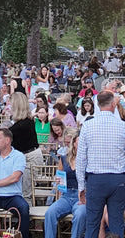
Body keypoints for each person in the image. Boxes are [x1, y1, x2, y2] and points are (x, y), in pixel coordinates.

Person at [76, 89, 125, 238]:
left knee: (92, 223)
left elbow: (81, 159)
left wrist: (81, 186)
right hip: (117, 179)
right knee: (117, 223)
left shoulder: (87, 126)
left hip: (96, 179)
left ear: (97, 104)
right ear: (112, 105)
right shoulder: (122, 126)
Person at [44, 130, 86, 238]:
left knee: (80, 214)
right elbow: (60, 179)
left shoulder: (89, 160)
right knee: (50, 213)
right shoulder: (64, 158)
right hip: (66, 195)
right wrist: (59, 195)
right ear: (74, 144)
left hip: (81, 196)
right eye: (79, 142)